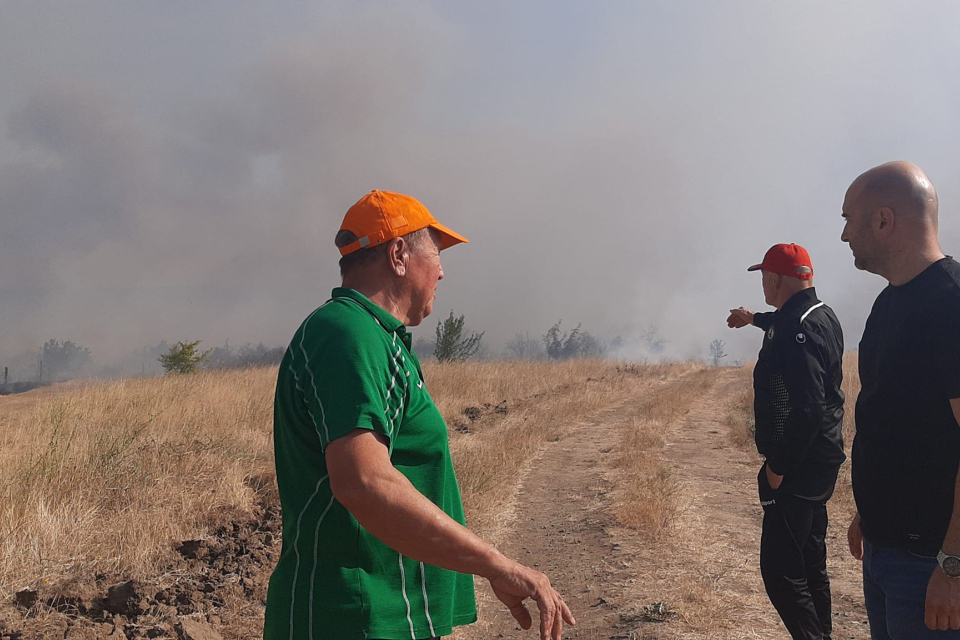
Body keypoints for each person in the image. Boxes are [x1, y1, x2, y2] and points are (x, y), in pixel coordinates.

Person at [263, 189, 574, 640]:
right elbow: (364, 482)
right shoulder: (349, 335)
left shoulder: (375, 337)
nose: (443, 271)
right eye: (437, 253)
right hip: (357, 616)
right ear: (398, 254)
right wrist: (497, 565)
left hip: (384, 612)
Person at [841, 161, 960, 638]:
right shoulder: (889, 302)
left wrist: (952, 564)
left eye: (849, 218)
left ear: (884, 221)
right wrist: (868, 512)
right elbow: (895, 421)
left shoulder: (949, 304)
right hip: (887, 551)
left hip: (931, 561)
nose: (845, 234)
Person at [727, 243, 845, 640]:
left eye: (764, 277)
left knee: (780, 572)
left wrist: (777, 468)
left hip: (798, 466)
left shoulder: (798, 328)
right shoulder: (819, 315)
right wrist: (752, 318)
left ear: (776, 279)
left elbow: (808, 409)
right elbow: (783, 322)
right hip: (820, 460)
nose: (763, 283)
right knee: (810, 562)